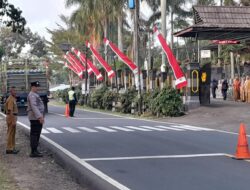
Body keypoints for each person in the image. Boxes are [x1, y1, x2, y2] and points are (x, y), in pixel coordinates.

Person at [27, 81, 44, 157]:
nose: (38, 88)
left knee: (37, 134)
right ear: (33, 87)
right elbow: (34, 107)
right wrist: (40, 117)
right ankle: (33, 152)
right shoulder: (32, 95)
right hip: (35, 118)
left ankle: (35, 150)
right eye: (37, 87)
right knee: (34, 134)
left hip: (36, 117)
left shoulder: (34, 94)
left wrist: (41, 116)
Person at [5, 86, 19, 154]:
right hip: (11, 118)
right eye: (14, 91)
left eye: (15, 90)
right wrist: (13, 120)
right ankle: (9, 149)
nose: (15, 92)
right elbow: (10, 111)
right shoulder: (10, 99)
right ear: (11, 92)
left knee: (12, 133)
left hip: (12, 117)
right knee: (10, 133)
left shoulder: (13, 98)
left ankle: (12, 147)